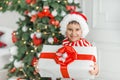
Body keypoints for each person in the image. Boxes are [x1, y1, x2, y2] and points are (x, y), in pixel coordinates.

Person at [59, 12, 99, 80]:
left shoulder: (86, 46)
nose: (73, 33)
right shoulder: (64, 44)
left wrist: (96, 71)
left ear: (82, 30)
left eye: (77, 29)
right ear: (65, 30)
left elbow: (93, 64)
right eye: (70, 29)